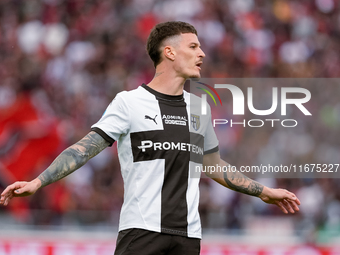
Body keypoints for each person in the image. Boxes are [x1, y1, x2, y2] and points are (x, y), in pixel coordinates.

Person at [0, 21, 300, 255]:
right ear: (169, 52)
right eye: (193, 46)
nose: (202, 54)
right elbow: (85, 148)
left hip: (188, 236)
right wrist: (38, 182)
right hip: (141, 232)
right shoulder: (129, 102)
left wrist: (262, 191)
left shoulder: (199, 107)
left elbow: (212, 165)